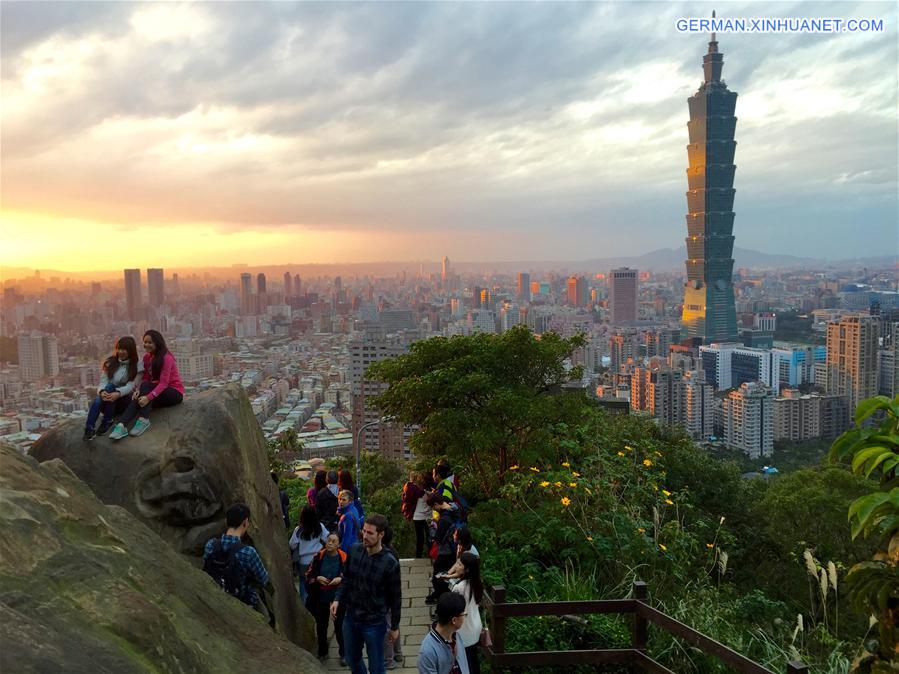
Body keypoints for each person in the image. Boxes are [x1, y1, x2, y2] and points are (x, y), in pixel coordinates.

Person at [331, 513, 402, 674]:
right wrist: (337, 599)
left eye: (370, 533)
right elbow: (346, 578)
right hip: (351, 617)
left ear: (381, 534)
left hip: (374, 622)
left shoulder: (390, 563)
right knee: (352, 659)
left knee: (376, 667)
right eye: (364, 531)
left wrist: (395, 627)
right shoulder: (354, 550)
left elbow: (395, 598)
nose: (365, 536)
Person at [109, 329, 184, 440]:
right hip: (157, 392)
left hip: (173, 392)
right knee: (140, 395)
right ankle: (122, 425)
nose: (146, 345)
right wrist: (138, 391)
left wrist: (148, 398)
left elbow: (164, 384)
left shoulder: (166, 358)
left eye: (150, 342)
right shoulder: (147, 358)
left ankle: (143, 420)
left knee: (145, 391)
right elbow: (146, 378)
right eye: (145, 342)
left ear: (157, 343)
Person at [203, 503, 271, 609]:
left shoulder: (210, 545)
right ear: (245, 522)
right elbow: (264, 579)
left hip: (214, 599)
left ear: (226, 521)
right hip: (242, 605)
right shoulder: (248, 552)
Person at [83, 336, 142, 441]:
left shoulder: (137, 365)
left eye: (124, 349)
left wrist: (118, 394)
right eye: (119, 348)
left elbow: (130, 386)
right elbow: (103, 381)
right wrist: (101, 392)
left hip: (124, 402)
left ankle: (107, 421)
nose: (120, 351)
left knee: (110, 387)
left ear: (131, 351)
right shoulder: (111, 362)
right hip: (107, 400)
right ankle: (89, 428)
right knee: (101, 395)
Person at [305, 532, 347, 663]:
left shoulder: (344, 558)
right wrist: (317, 578)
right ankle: (323, 652)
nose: (330, 543)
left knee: (340, 626)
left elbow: (350, 577)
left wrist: (340, 578)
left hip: (338, 597)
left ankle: (344, 654)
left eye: (334, 541)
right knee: (321, 625)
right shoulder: (319, 556)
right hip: (321, 595)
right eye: (329, 540)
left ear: (339, 544)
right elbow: (309, 574)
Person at [417, 592, 469, 674]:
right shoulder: (427, 652)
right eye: (464, 614)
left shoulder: (456, 635)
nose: (465, 617)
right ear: (454, 620)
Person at [289, 505, 330, 603]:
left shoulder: (299, 529)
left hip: (303, 561)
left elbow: (292, 545)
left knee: (303, 582)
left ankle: (305, 604)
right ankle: (318, 602)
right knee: (318, 581)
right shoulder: (319, 526)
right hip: (317, 559)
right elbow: (327, 538)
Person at [451, 553, 483, 674]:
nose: (457, 566)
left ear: (467, 569)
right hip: (475, 627)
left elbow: (454, 611)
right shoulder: (477, 584)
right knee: (474, 660)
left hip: (464, 632)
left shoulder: (459, 588)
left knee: (466, 664)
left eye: (459, 564)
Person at [426, 493, 460, 605]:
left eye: (433, 507)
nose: (434, 509)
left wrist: (432, 527)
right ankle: (441, 596)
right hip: (454, 548)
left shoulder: (444, 519)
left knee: (439, 575)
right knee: (445, 574)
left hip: (446, 551)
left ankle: (442, 600)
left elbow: (438, 538)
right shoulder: (453, 508)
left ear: (436, 504)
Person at [381, 527, 403, 670]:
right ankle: (398, 652)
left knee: (386, 629)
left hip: (385, 596)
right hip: (393, 595)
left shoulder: (385, 555)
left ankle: (388, 660)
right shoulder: (393, 552)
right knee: (394, 624)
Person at [402, 472, 430, 558]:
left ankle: (419, 556)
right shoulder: (419, 491)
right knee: (429, 535)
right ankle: (430, 553)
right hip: (425, 516)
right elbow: (427, 499)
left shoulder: (408, 488)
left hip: (416, 516)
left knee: (420, 537)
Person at [338, 489, 362, 554]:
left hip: (349, 547)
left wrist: (342, 552)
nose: (340, 502)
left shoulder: (347, 515)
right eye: (339, 499)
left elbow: (347, 536)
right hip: (355, 542)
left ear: (350, 501)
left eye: (344, 500)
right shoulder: (353, 508)